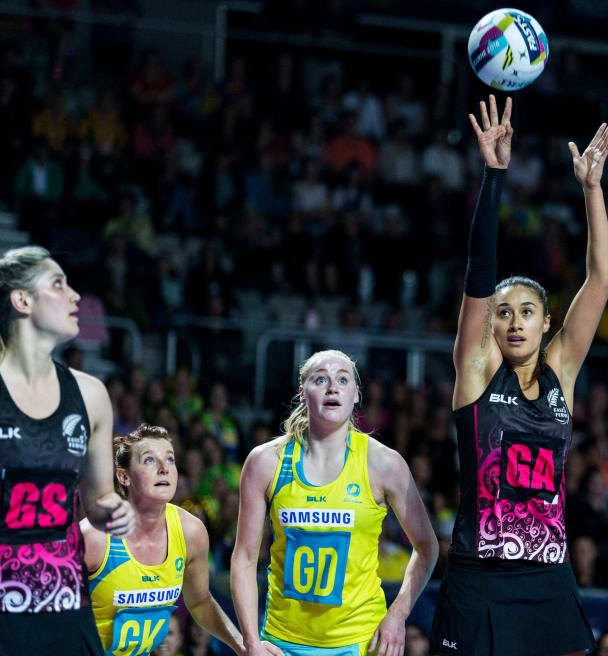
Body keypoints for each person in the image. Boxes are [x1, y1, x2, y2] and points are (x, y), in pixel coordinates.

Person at [429, 95, 608, 656]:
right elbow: (480, 272)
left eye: (526, 312)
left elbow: (601, 279)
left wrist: (591, 189)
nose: (512, 322)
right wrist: (495, 175)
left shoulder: (562, 371)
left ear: (546, 322)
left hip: (548, 578)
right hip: (478, 576)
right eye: (503, 312)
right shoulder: (477, 372)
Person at [231, 349, 437, 656]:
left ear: (355, 395)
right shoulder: (265, 462)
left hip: (359, 639)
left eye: (343, 379)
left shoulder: (384, 463)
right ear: (302, 394)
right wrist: (250, 643)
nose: (332, 386)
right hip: (281, 641)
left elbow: (427, 547)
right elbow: (245, 558)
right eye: (320, 379)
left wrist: (398, 614)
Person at [0, 246, 135, 655]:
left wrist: (113, 509)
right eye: (58, 284)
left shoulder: (91, 394)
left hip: (63, 600)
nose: (76, 296)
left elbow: (97, 499)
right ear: (22, 300)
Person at [83, 424, 245, 656]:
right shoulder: (95, 537)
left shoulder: (190, 532)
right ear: (124, 476)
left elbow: (199, 603)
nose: (164, 469)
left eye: (170, 460)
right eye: (149, 460)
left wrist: (243, 646)